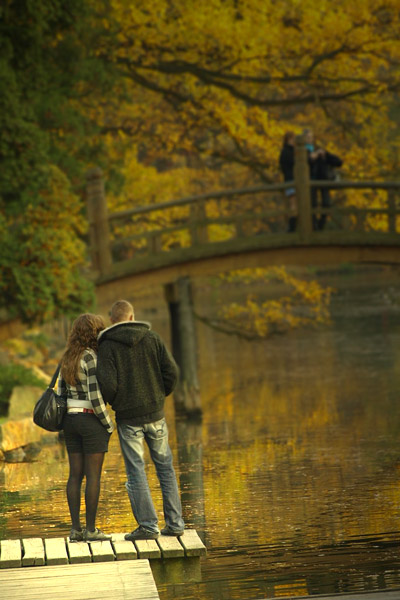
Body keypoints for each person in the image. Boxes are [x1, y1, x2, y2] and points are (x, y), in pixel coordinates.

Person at [96, 299, 185, 540]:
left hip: (129, 419)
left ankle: (148, 526)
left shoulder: (106, 346)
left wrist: (119, 401)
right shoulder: (152, 338)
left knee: (136, 471)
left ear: (113, 320)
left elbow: (107, 384)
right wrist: (158, 395)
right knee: (165, 468)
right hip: (156, 415)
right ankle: (175, 524)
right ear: (132, 317)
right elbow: (172, 373)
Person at [58, 313, 114, 543]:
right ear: (94, 333)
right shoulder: (90, 357)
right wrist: (108, 423)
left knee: (74, 476)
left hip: (70, 421)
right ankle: (90, 530)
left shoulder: (67, 357)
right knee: (93, 477)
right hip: (90, 420)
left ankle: (75, 530)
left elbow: (62, 392)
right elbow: (94, 396)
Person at [303, 128, 343, 230]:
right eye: (307, 137)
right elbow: (307, 160)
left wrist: (325, 155)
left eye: (311, 137)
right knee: (313, 204)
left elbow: (338, 161)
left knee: (326, 203)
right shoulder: (302, 150)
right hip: (311, 181)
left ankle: (321, 223)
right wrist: (314, 156)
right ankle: (314, 225)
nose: (310, 139)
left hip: (323, 179)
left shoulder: (318, 149)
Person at [279, 131, 297, 232]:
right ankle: (292, 225)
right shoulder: (287, 152)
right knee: (293, 202)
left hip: (290, 179)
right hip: (291, 180)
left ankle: (293, 224)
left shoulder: (288, 151)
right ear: (289, 140)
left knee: (293, 203)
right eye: (293, 139)